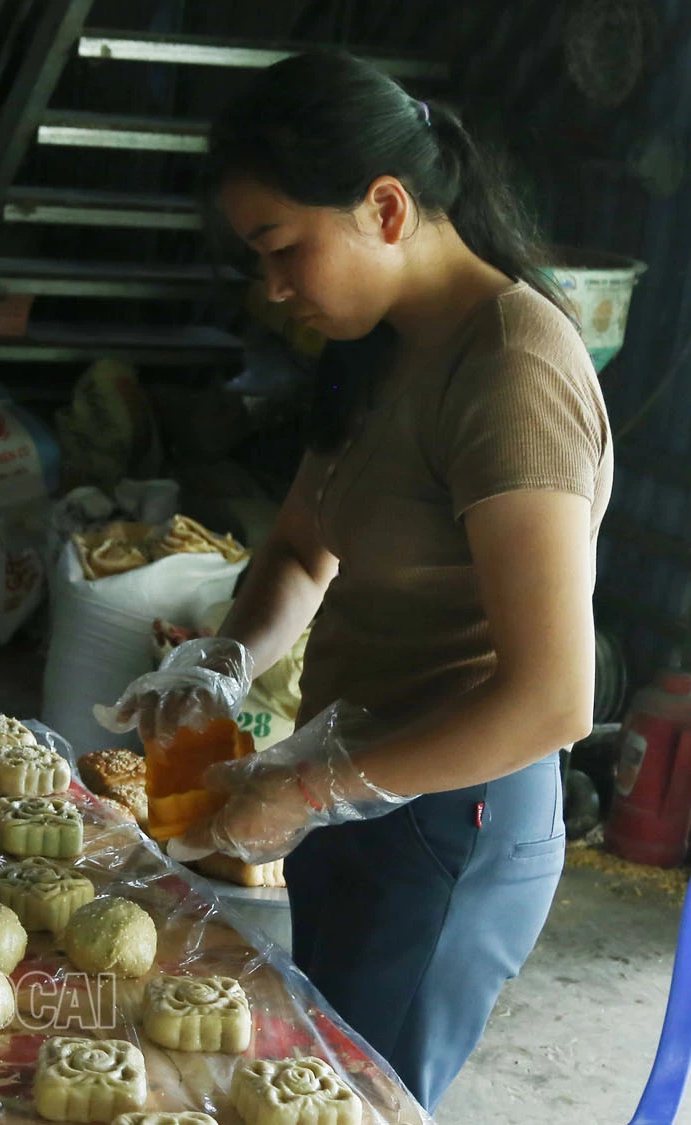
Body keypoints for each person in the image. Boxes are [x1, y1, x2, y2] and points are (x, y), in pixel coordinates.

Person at [108, 53, 611, 1111]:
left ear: (386, 207)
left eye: (282, 247)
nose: (275, 288)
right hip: (355, 778)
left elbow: (553, 697)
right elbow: (299, 549)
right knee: (308, 1065)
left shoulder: (511, 368)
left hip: (453, 805)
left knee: (358, 1095)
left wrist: (307, 787)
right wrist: (222, 662)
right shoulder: (381, 347)